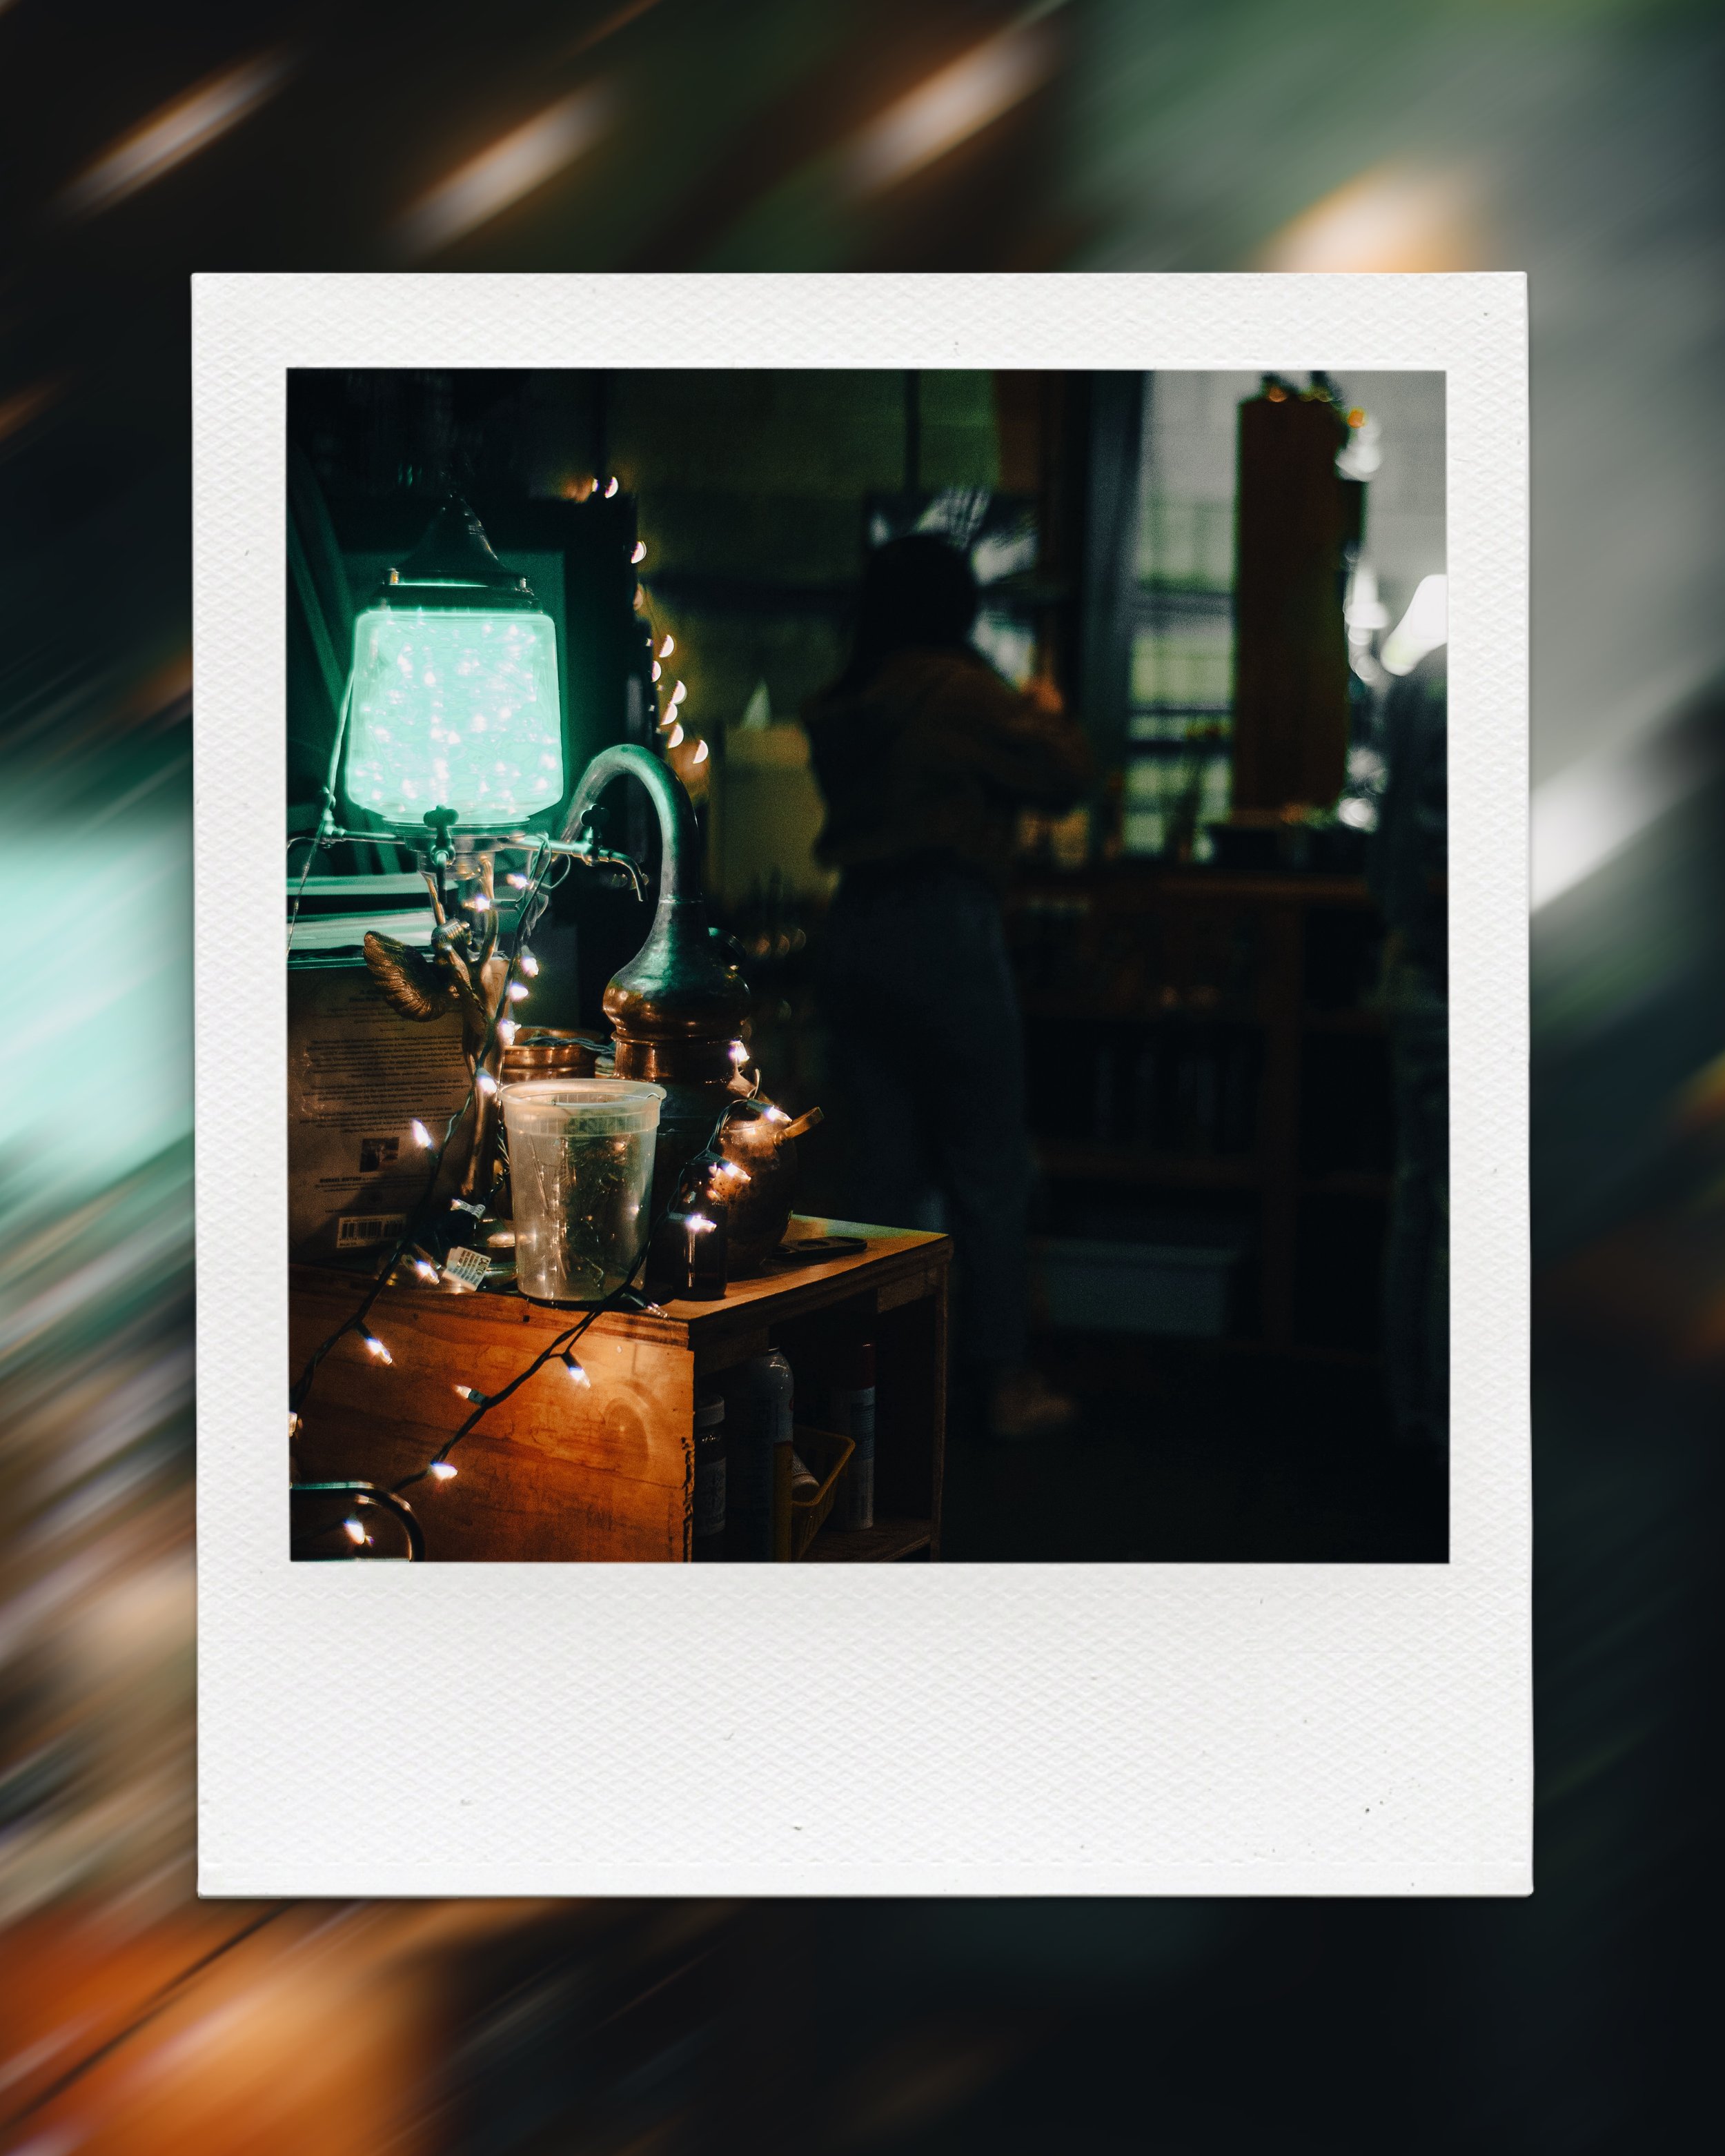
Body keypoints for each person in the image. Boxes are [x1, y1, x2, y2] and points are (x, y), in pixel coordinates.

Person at [803, 534, 1092, 1441]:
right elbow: (1068, 778)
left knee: (881, 1172)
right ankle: (1002, 1385)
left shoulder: (848, 701)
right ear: (958, 605)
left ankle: (869, 1389)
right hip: (946, 928)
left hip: (854, 930)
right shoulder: (958, 691)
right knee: (986, 1165)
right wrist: (1046, 712)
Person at [1368, 640, 1449, 1452]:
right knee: (1464, 1215)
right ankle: (1449, 1429)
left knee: (1425, 1200)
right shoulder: (1482, 676)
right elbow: (1446, 851)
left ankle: (1416, 1414)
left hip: (1422, 967)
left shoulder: (1432, 667)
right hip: (1461, 979)